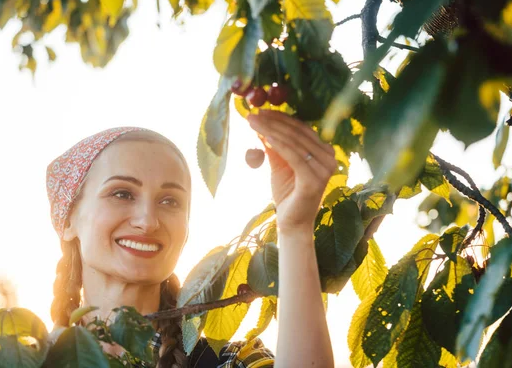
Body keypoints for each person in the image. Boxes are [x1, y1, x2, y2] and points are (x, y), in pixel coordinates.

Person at [46, 109, 337, 367]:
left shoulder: (226, 361)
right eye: (122, 194)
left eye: (170, 201)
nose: (148, 221)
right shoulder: (20, 359)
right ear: (68, 219)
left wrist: (295, 229)